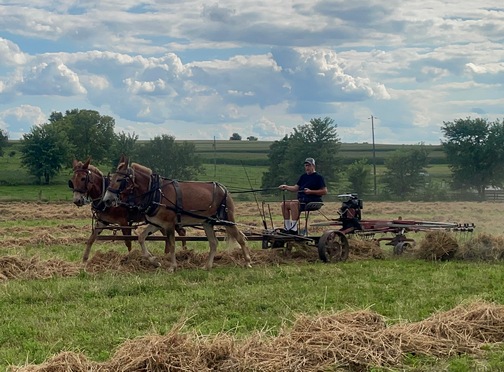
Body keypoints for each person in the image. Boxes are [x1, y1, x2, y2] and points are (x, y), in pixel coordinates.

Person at [278, 157, 328, 233]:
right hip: (302, 200)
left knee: (293, 203)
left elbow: (324, 191)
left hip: (313, 200)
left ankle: (294, 229)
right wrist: (286, 187)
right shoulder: (303, 176)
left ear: (313, 166)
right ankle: (287, 228)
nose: (307, 167)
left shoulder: (318, 177)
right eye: (306, 166)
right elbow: (295, 188)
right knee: (284, 204)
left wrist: (311, 191)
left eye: (309, 165)